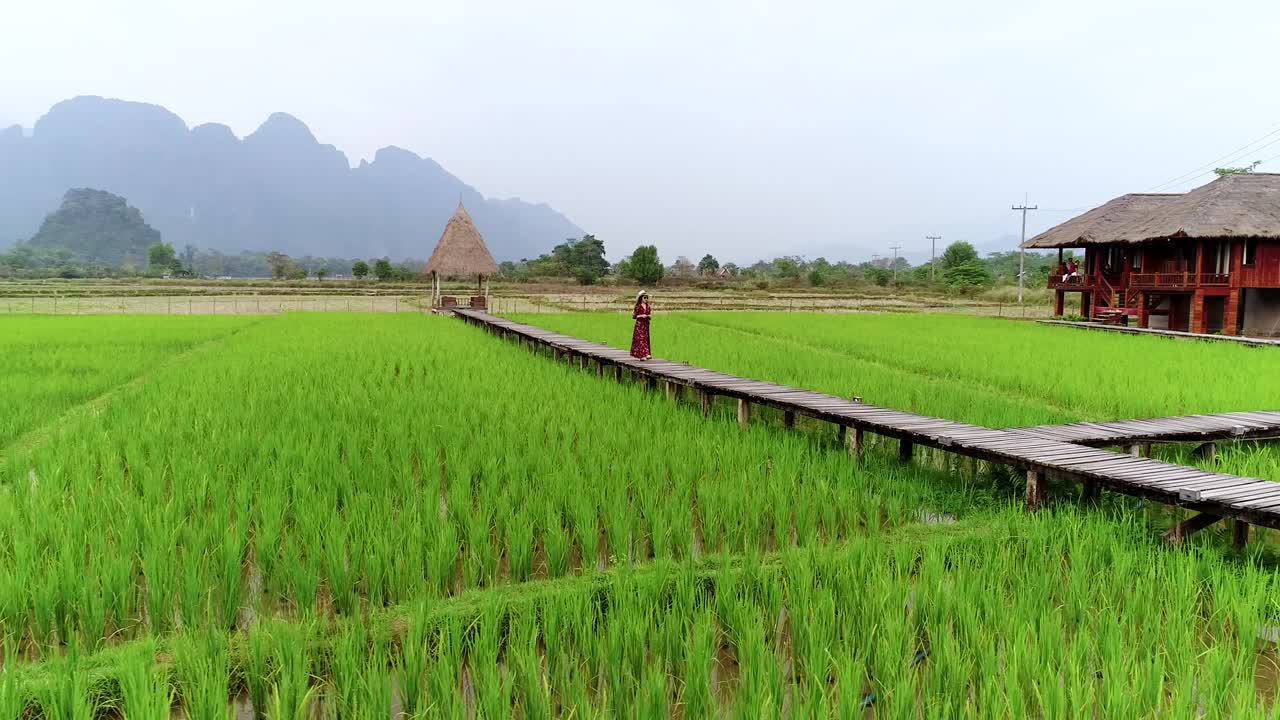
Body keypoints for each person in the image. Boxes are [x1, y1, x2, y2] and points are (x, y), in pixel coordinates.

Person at [630, 290, 652, 360]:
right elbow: (634, 316)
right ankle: (641, 355)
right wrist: (641, 315)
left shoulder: (648, 306)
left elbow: (650, 315)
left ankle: (646, 353)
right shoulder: (638, 306)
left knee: (645, 339)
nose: (646, 299)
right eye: (644, 298)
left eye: (646, 298)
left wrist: (648, 316)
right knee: (640, 339)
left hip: (645, 325)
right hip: (639, 325)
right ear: (641, 298)